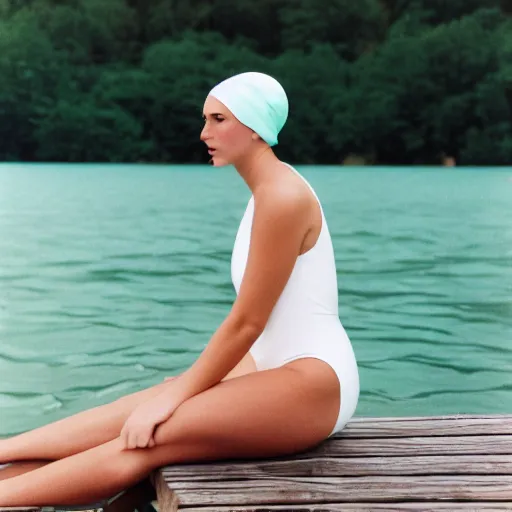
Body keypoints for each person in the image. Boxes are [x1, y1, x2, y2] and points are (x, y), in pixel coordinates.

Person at [0, 71, 359, 505]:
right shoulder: (265, 191)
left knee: (147, 436)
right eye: (206, 119)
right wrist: (185, 386)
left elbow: (247, 322)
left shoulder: (283, 198)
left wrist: (181, 392)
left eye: (218, 119)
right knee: (129, 412)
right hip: (267, 364)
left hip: (315, 381)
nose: (204, 132)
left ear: (254, 126)